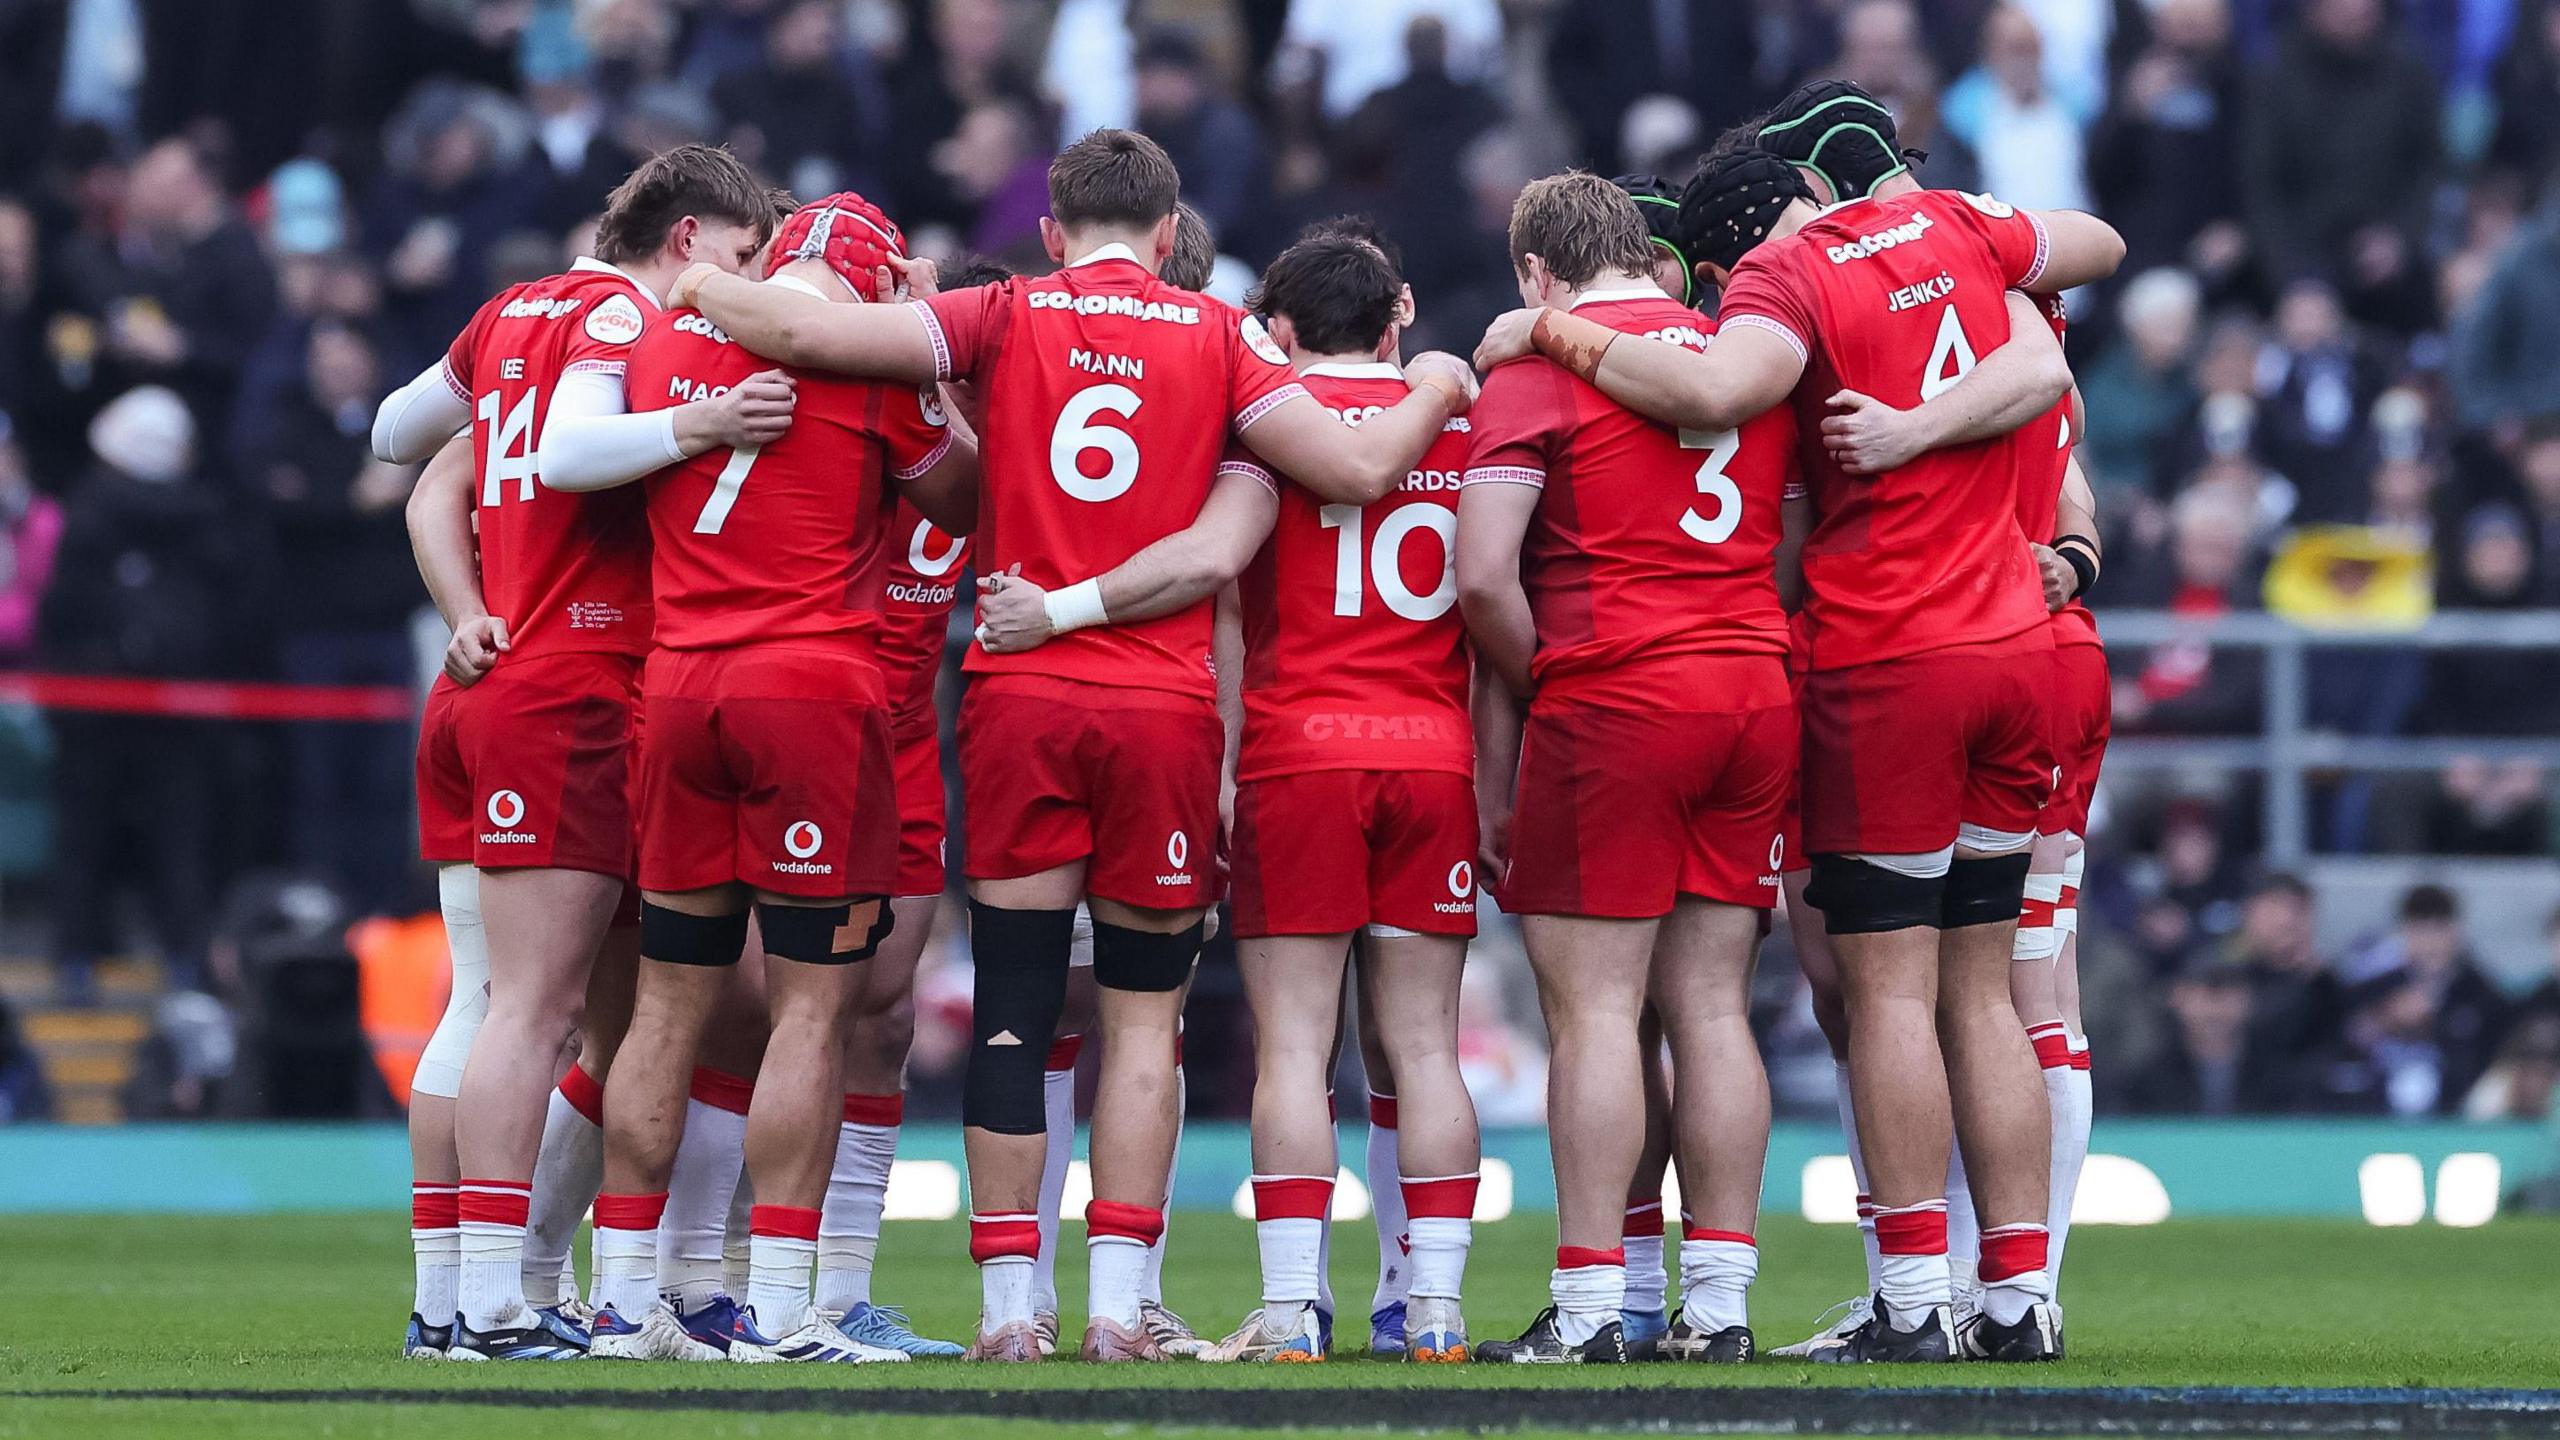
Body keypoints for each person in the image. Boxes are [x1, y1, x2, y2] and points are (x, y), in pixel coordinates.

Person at [672, 128, 1478, 1362]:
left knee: (1014, 1006)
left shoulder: (1004, 314)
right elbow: (1359, 466)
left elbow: (802, 333)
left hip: (1021, 699)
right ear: (1169, 235)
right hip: (1161, 710)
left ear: (1051, 233)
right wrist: (1437, 383)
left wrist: (698, 279)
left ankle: (1011, 1312)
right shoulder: (1220, 337)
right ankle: (1114, 1307)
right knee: (1145, 1022)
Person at [1477, 113, 2124, 1363]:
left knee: (1881, 994)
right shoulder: (1959, 230)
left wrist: (1547, 331)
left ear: (1720, 262)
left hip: (1885, 659)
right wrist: (2054, 528)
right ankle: (2016, 1297)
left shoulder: (1786, 285)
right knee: (1990, 991)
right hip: (2019, 642)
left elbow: (1716, 391)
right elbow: (2055, 359)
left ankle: (1908, 1299)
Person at [372, 143, 786, 1361]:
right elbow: (565, 454)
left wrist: (464, 606)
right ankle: (495, 1303)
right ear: (688, 238)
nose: (747, 280)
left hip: (493, 680)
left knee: (520, 1009)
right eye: (743, 253)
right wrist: (704, 419)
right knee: (533, 1014)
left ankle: (454, 1300)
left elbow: (401, 440)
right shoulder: (621, 318)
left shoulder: (514, 311)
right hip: (572, 691)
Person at [579, 191, 977, 1365]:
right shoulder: (870, 363)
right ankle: (786, 1307)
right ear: (869, 282)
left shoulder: (660, 343)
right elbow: (967, 499)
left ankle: (621, 1303)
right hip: (808, 691)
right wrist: (930, 361)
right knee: (813, 1012)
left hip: (678, 686)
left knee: (667, 1006)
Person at [1450, 173, 1799, 1365]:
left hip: (1616, 697)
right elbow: (1790, 538)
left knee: (1596, 1012)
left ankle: (1593, 1302)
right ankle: (1721, 1304)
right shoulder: (1742, 354)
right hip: (1749, 689)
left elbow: (1482, 576)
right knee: (1712, 1008)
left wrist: (1546, 677)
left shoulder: (1534, 364)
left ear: (1536, 274)